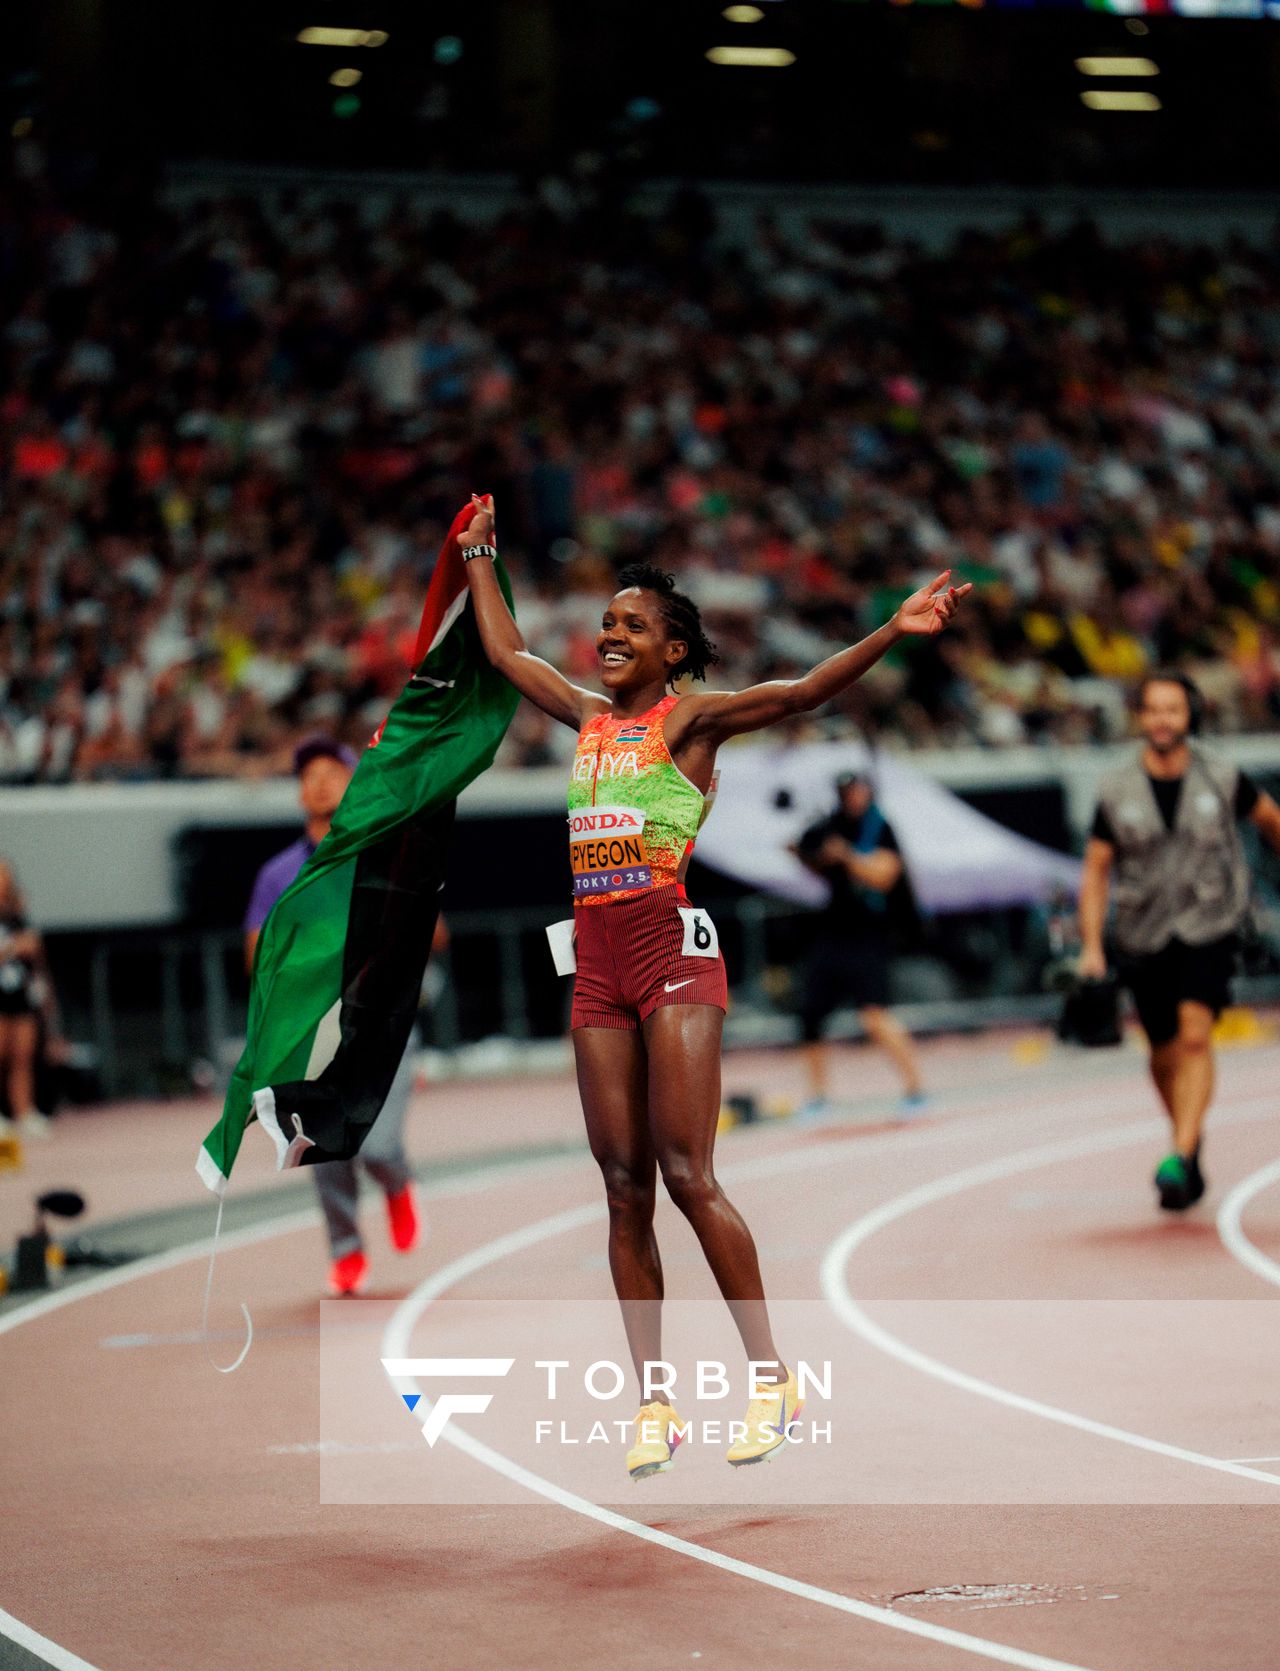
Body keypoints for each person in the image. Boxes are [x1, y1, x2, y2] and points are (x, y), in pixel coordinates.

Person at [457, 494, 969, 1478]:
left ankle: (770, 1378)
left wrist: (891, 631)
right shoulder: (587, 715)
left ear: (675, 654)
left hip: (669, 952)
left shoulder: (692, 720)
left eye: (632, 627)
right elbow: (506, 655)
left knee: (687, 1175)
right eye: (606, 623)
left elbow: (803, 690)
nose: (609, 636)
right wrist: (480, 554)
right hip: (597, 965)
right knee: (619, 1188)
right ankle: (653, 1405)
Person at [1078, 672, 1280, 1210]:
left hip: (1209, 922)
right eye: (1153, 709)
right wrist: (1092, 946)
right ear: (1141, 717)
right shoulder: (1116, 788)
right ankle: (1186, 1141)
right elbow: (1096, 870)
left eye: (1174, 709)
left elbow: (1270, 820)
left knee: (1196, 1037)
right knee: (1163, 1050)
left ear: (1190, 714)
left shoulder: (1221, 775)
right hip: (1142, 931)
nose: (1164, 719)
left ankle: (1181, 1152)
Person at [244, 735, 424, 1294]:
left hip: (382, 1023)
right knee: (322, 1144)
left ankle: (396, 1183)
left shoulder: (386, 852)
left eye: (333, 771)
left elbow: (431, 935)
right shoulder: (277, 874)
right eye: (308, 775)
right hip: (315, 1029)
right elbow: (256, 953)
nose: (319, 782)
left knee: (377, 1142)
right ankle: (346, 1249)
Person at [794, 771, 926, 1118]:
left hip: (870, 931)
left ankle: (916, 1088)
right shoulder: (832, 823)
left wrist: (846, 855)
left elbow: (883, 876)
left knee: (874, 1015)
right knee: (809, 1014)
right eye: (845, 792)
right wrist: (809, 855)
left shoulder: (881, 827)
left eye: (856, 790)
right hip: (834, 928)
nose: (851, 797)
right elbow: (812, 856)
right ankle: (817, 1097)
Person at [0, 860, 64, 1144]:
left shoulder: (16, 915)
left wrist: (45, 997)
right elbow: (18, 947)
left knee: (22, 1056)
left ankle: (24, 1112)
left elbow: (35, 954)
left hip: (20, 996)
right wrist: (14, 947)